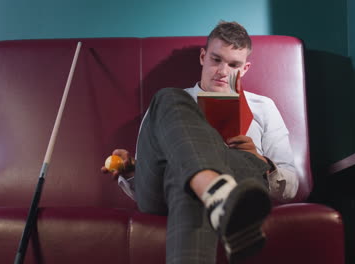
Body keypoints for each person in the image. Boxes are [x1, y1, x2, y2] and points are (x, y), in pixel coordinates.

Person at [101, 21, 298, 264]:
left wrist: (262, 161)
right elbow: (146, 184)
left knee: (191, 181)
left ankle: (215, 195)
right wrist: (132, 170)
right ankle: (217, 191)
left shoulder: (264, 108)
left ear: (245, 68)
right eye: (216, 60)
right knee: (167, 96)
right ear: (203, 57)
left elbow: (291, 184)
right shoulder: (172, 105)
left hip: (227, 186)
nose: (223, 71)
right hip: (162, 193)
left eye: (233, 65)